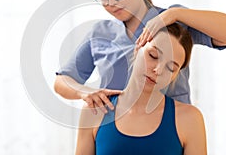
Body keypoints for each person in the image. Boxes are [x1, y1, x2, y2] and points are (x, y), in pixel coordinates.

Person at [54, 0, 226, 112]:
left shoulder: (174, 21)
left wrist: (175, 13)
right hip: (116, 132)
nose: (111, 2)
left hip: (172, 130)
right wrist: (84, 92)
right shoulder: (100, 33)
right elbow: (62, 81)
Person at [76, 23, 206, 155]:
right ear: (138, 48)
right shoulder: (94, 111)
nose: (158, 70)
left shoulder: (189, 119)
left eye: (171, 68)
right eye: (153, 56)